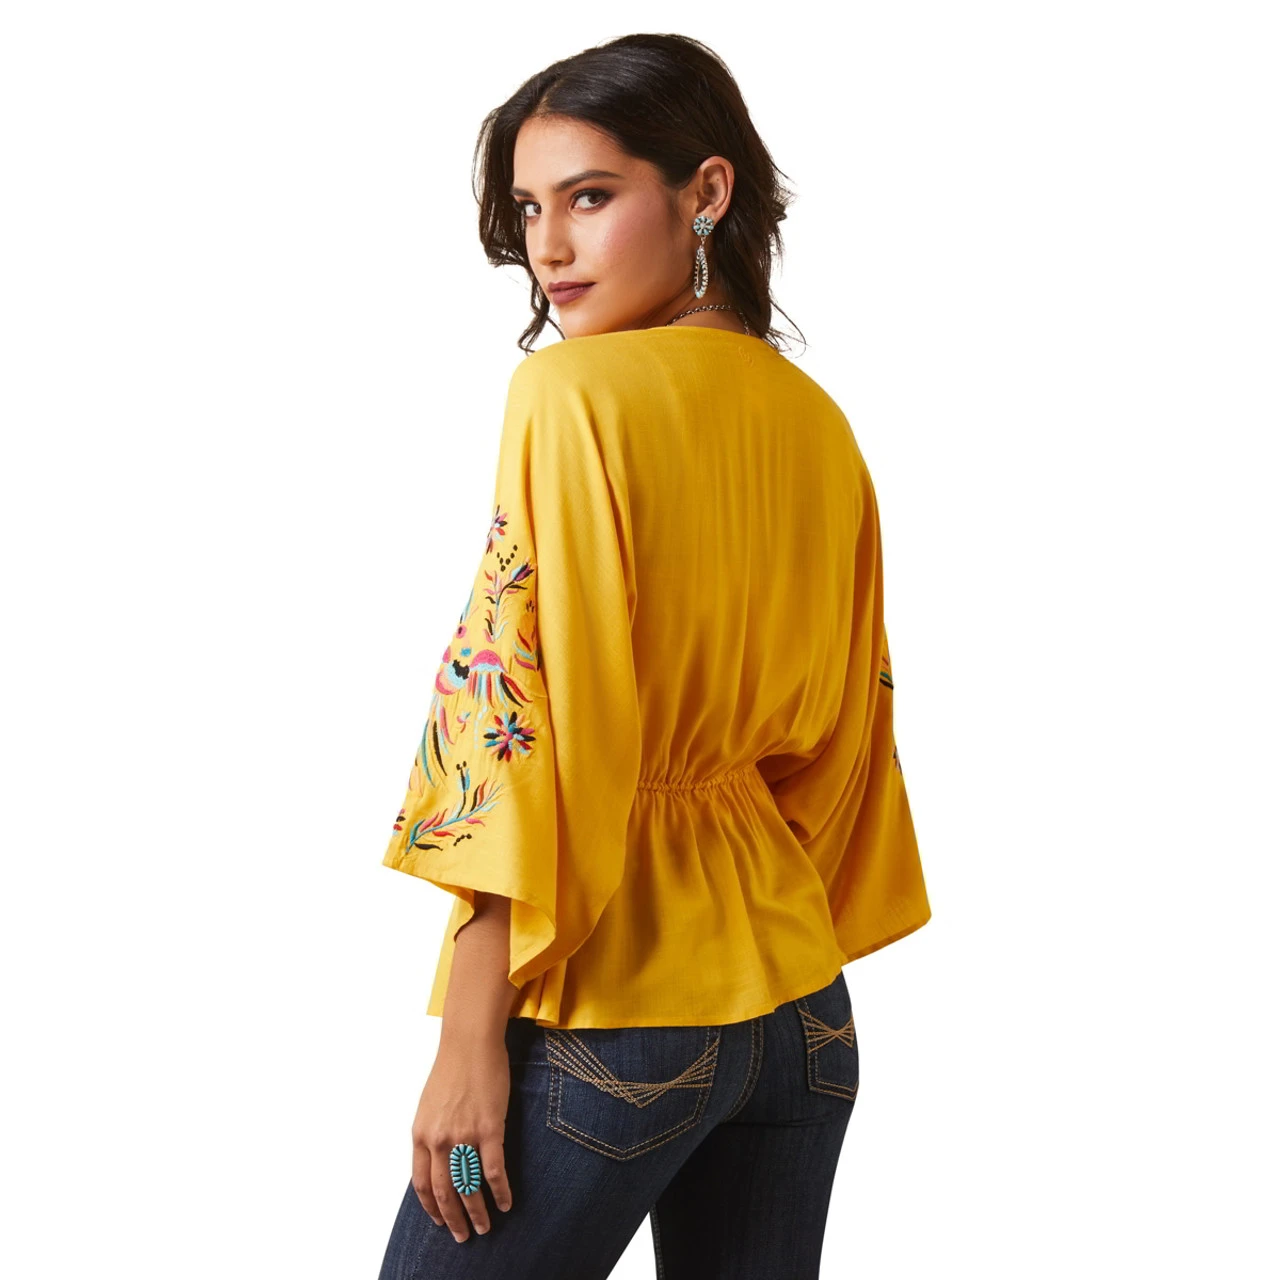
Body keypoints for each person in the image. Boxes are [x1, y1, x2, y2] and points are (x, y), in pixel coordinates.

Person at [376, 33, 931, 1280]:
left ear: (705, 192)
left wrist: (467, 1041)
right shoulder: (819, 425)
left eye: (589, 196)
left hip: (617, 1009)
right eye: (529, 207)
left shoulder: (569, 395)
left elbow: (516, 727)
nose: (548, 247)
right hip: (801, 1013)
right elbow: (848, 740)